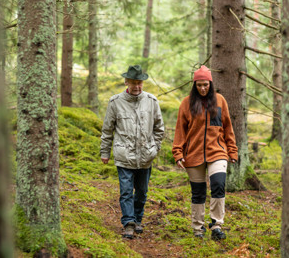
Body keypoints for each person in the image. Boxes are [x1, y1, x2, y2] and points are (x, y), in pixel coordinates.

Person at [172, 65, 238, 240]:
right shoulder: (186, 103)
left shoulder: (220, 100)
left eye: (205, 85)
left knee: (218, 184)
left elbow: (228, 127)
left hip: (217, 151)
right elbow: (180, 130)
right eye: (199, 85)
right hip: (193, 154)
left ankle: (216, 225)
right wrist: (178, 153)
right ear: (194, 85)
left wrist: (232, 151)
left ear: (211, 84)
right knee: (198, 192)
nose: (202, 88)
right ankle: (198, 228)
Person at [100, 65, 165, 239]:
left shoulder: (152, 101)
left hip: (145, 157)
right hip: (124, 156)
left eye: (140, 83)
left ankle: (138, 219)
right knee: (126, 191)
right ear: (126, 82)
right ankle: (128, 222)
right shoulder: (115, 102)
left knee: (142, 192)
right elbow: (108, 130)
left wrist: (154, 148)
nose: (137, 86)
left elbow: (159, 129)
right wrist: (104, 152)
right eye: (133, 82)